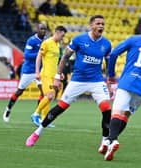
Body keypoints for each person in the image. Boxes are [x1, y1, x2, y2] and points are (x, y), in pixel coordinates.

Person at [25, 15, 112, 154]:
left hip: (97, 81)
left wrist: (108, 83)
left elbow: (108, 65)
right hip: (78, 80)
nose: (101, 26)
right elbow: (65, 57)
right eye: (98, 23)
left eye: (103, 24)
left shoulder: (106, 44)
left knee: (107, 110)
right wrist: (58, 77)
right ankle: (37, 132)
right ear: (91, 25)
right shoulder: (79, 40)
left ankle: (104, 142)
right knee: (60, 107)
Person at [103, 16, 141, 161]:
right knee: (126, 115)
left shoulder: (135, 39)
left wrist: (110, 75)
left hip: (128, 82)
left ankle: (112, 140)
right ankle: (108, 142)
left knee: (116, 112)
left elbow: (114, 53)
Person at [3, 23, 47, 123]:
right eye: (41, 29)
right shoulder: (31, 40)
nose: (43, 31)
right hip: (28, 71)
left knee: (44, 93)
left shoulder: (46, 41)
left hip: (40, 71)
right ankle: (8, 109)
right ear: (37, 29)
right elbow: (27, 55)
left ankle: (36, 115)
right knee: (19, 92)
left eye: (45, 29)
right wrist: (40, 53)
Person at [30, 25, 67, 127]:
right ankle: (35, 114)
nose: (62, 38)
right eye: (62, 35)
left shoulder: (57, 45)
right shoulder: (46, 43)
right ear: (57, 32)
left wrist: (60, 73)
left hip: (54, 75)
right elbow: (38, 57)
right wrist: (37, 72)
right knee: (50, 95)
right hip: (45, 75)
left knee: (50, 97)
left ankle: (43, 120)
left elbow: (56, 62)